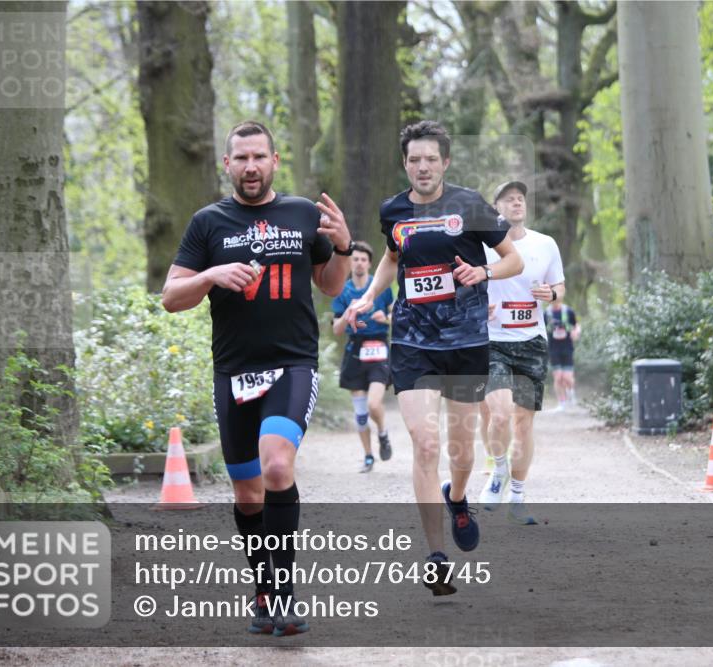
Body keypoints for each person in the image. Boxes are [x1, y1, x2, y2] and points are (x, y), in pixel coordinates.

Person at [161, 120, 354, 636]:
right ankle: (264, 590)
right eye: (241, 158)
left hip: (292, 364)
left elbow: (330, 285)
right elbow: (171, 297)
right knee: (247, 495)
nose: (251, 167)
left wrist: (341, 246)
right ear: (227, 164)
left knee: (275, 467)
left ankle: (286, 596)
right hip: (234, 372)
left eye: (259, 157)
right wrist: (209, 276)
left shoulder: (301, 214)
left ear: (275, 161)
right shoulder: (207, 224)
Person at [343, 120, 523, 595]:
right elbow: (391, 256)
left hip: (465, 343)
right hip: (413, 344)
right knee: (425, 445)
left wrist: (481, 271)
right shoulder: (393, 211)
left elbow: (513, 260)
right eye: (414, 159)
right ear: (405, 163)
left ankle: (458, 498)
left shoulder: (468, 205)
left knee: (461, 451)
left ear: (445, 162)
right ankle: (436, 557)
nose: (422, 167)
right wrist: (369, 298)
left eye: (431, 159)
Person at [478, 181, 565, 525]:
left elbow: (559, 285)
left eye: (520, 199)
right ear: (496, 207)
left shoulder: (545, 244)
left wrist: (552, 294)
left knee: (524, 424)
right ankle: (498, 472)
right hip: (492, 340)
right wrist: (474, 305)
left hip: (531, 340)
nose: (517, 203)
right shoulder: (482, 246)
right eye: (508, 199)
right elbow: (465, 281)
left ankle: (517, 495)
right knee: (499, 415)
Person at [331, 241, 394, 473]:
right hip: (355, 350)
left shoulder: (382, 288)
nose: (358, 263)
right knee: (359, 413)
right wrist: (348, 313)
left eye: (363, 259)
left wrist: (384, 318)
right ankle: (368, 456)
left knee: (373, 403)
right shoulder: (343, 291)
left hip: (378, 347)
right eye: (354, 259)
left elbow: (395, 316)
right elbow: (336, 328)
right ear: (350, 262)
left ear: (369, 263)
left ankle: (383, 433)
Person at [546, 299, 581, 411]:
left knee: (567, 378)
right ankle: (562, 403)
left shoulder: (568, 311)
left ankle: (571, 395)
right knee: (558, 377)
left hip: (567, 348)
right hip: (553, 349)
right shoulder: (546, 313)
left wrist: (576, 332)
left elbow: (577, 325)